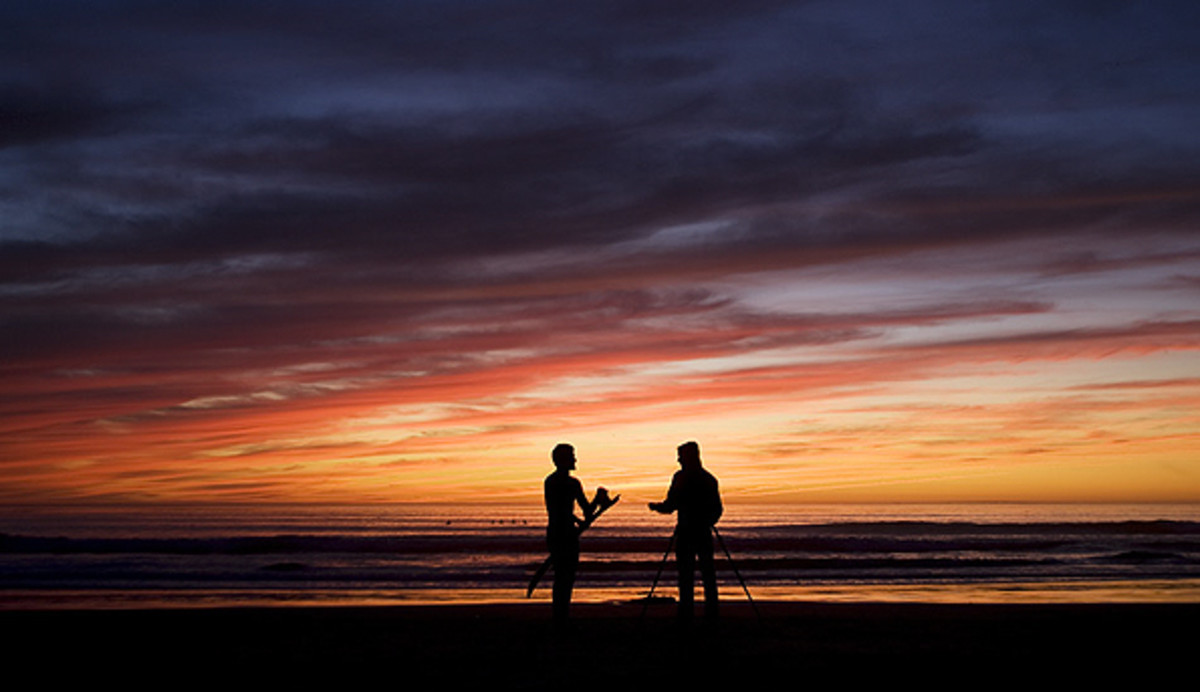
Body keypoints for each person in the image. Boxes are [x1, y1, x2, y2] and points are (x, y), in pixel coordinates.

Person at [649, 440, 723, 623]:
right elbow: (717, 509)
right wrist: (707, 521)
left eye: (681, 456)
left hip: (686, 532)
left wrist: (657, 507)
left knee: (686, 575)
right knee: (707, 574)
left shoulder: (681, 478)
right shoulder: (709, 479)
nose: (678, 460)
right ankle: (711, 615)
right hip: (702, 532)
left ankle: (686, 615)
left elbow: (671, 505)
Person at [544, 443, 595, 628]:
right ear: (562, 460)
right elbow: (568, 511)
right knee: (565, 576)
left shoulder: (552, 481)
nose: (575, 459)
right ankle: (561, 617)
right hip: (564, 533)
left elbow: (564, 511)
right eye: (572, 456)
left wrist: (581, 519)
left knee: (563, 576)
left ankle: (560, 616)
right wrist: (595, 503)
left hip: (558, 532)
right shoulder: (569, 483)